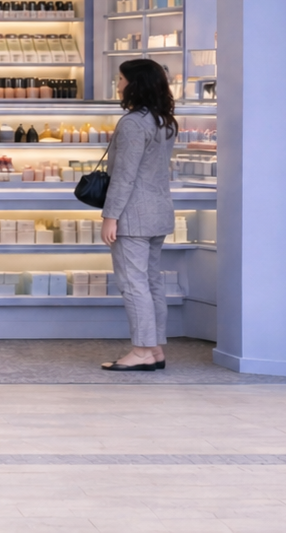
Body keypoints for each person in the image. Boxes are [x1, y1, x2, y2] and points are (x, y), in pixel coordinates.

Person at [100, 59, 178, 372]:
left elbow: (124, 176)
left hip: (133, 215)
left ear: (135, 84)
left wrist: (110, 216)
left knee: (133, 284)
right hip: (158, 211)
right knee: (151, 282)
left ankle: (142, 351)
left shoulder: (133, 123)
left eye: (121, 79)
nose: (119, 85)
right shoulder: (164, 120)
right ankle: (155, 348)